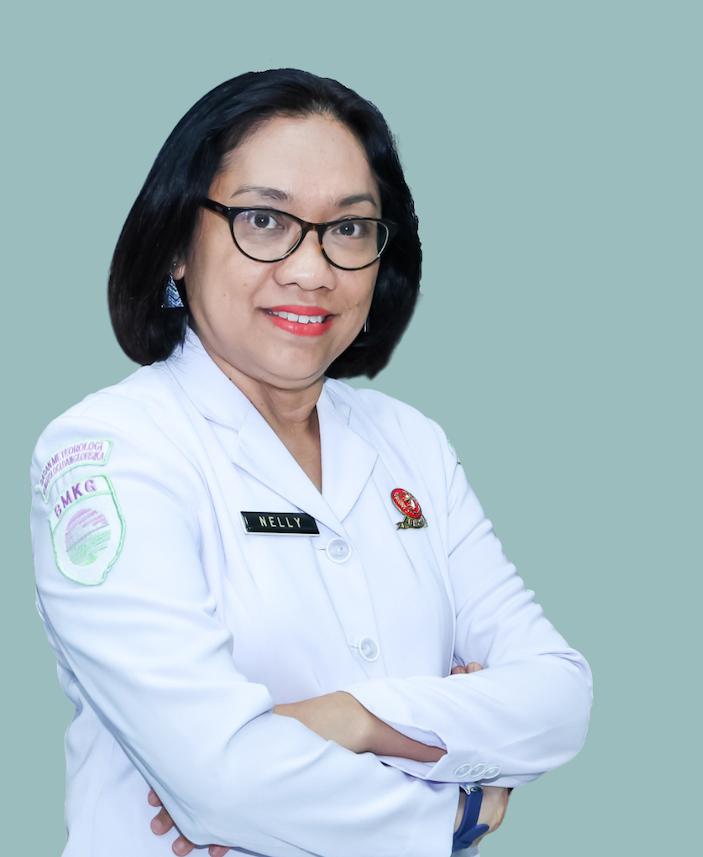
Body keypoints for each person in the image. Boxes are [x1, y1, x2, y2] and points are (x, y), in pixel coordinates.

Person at [30, 69, 592, 857]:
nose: (312, 269)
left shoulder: (411, 442)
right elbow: (222, 782)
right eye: (263, 220)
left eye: (349, 228)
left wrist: (351, 718)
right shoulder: (109, 451)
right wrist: (461, 799)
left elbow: (559, 697)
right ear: (177, 246)